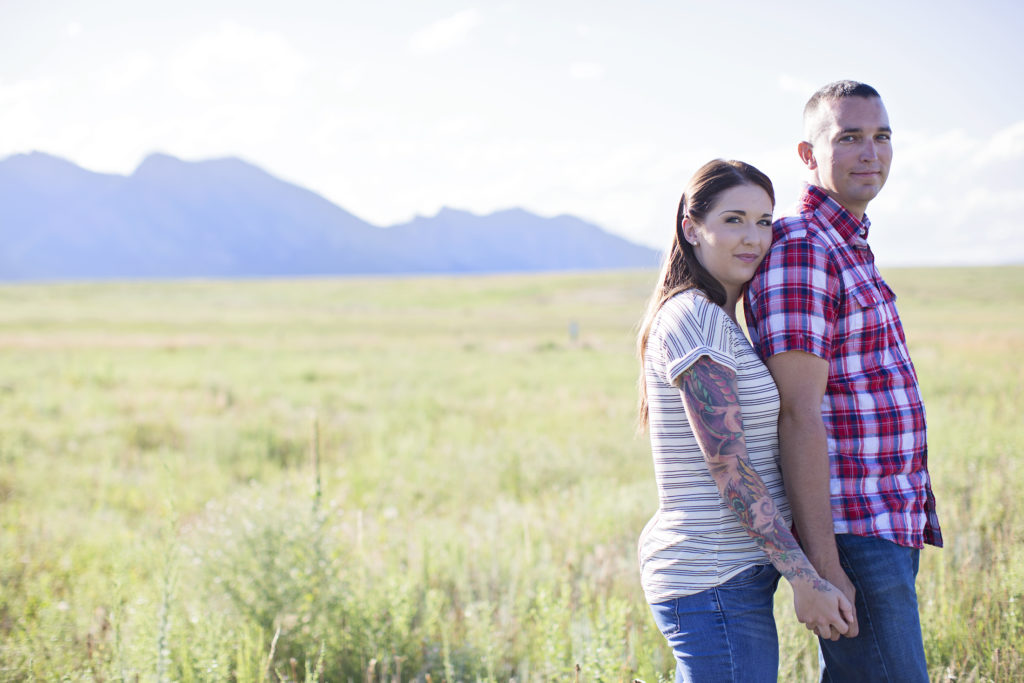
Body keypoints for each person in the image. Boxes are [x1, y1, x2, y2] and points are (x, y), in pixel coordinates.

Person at [744, 81, 943, 682]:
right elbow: (797, 414)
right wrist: (823, 566)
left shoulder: (848, 244)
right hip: (852, 528)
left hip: (887, 518)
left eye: (882, 137)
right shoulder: (805, 250)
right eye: (849, 137)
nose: (870, 153)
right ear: (808, 154)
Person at [637, 159, 854, 683]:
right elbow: (729, 469)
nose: (753, 237)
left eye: (764, 221)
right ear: (691, 229)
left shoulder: (719, 320)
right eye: (734, 220)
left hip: (730, 575)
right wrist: (805, 578)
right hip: (710, 577)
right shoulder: (695, 321)